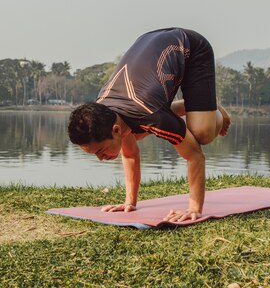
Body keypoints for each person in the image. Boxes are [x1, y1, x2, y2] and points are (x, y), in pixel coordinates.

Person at [67, 27, 231, 223]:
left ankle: (211, 109)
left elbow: (195, 156)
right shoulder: (104, 113)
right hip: (149, 46)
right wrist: (130, 202)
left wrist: (194, 208)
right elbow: (129, 154)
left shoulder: (151, 117)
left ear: (116, 130)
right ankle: (198, 107)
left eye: (101, 151)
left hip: (190, 48)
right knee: (139, 127)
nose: (100, 158)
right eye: (95, 154)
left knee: (201, 134)